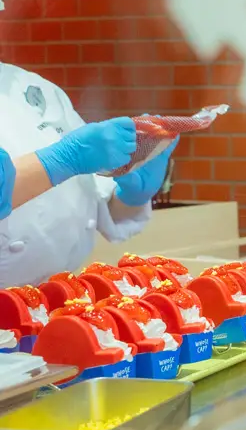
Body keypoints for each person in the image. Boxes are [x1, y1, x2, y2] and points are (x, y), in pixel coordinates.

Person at [0, 63, 172, 286]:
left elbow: (84, 197)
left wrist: (127, 195)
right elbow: (71, 158)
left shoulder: (33, 85)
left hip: (61, 294)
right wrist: (63, 159)